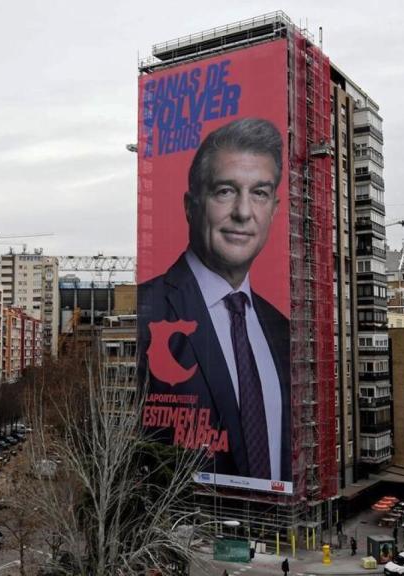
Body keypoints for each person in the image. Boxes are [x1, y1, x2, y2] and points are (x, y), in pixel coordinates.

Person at [138, 117, 291, 483]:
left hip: (278, 533)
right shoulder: (149, 311)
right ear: (191, 206)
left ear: (274, 209)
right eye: (225, 190)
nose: (242, 212)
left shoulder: (282, 330)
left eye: (259, 193)